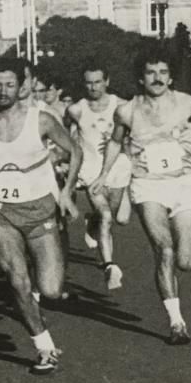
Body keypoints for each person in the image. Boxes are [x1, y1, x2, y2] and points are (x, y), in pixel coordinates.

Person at [0, 57, 82, 375]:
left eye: (10, 84)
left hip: (39, 209)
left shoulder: (42, 120)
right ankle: (44, 347)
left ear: (22, 86)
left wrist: (66, 192)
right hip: (1, 212)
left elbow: (75, 150)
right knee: (17, 281)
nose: (3, 91)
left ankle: (36, 301)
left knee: (49, 289)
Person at [91, 49, 191, 346]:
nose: (157, 78)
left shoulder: (189, 103)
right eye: (151, 73)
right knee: (163, 249)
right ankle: (176, 322)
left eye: (163, 72)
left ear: (171, 76)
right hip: (147, 186)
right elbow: (115, 143)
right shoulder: (127, 110)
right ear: (141, 77)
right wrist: (103, 175)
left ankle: (174, 286)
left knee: (186, 261)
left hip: (182, 185)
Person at [66, 62, 132, 290]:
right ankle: (109, 266)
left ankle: (91, 222)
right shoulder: (76, 109)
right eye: (89, 82)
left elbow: (133, 136)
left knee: (120, 218)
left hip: (117, 168)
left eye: (98, 82)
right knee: (105, 216)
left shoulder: (121, 106)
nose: (93, 87)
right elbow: (68, 137)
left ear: (107, 81)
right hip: (91, 171)